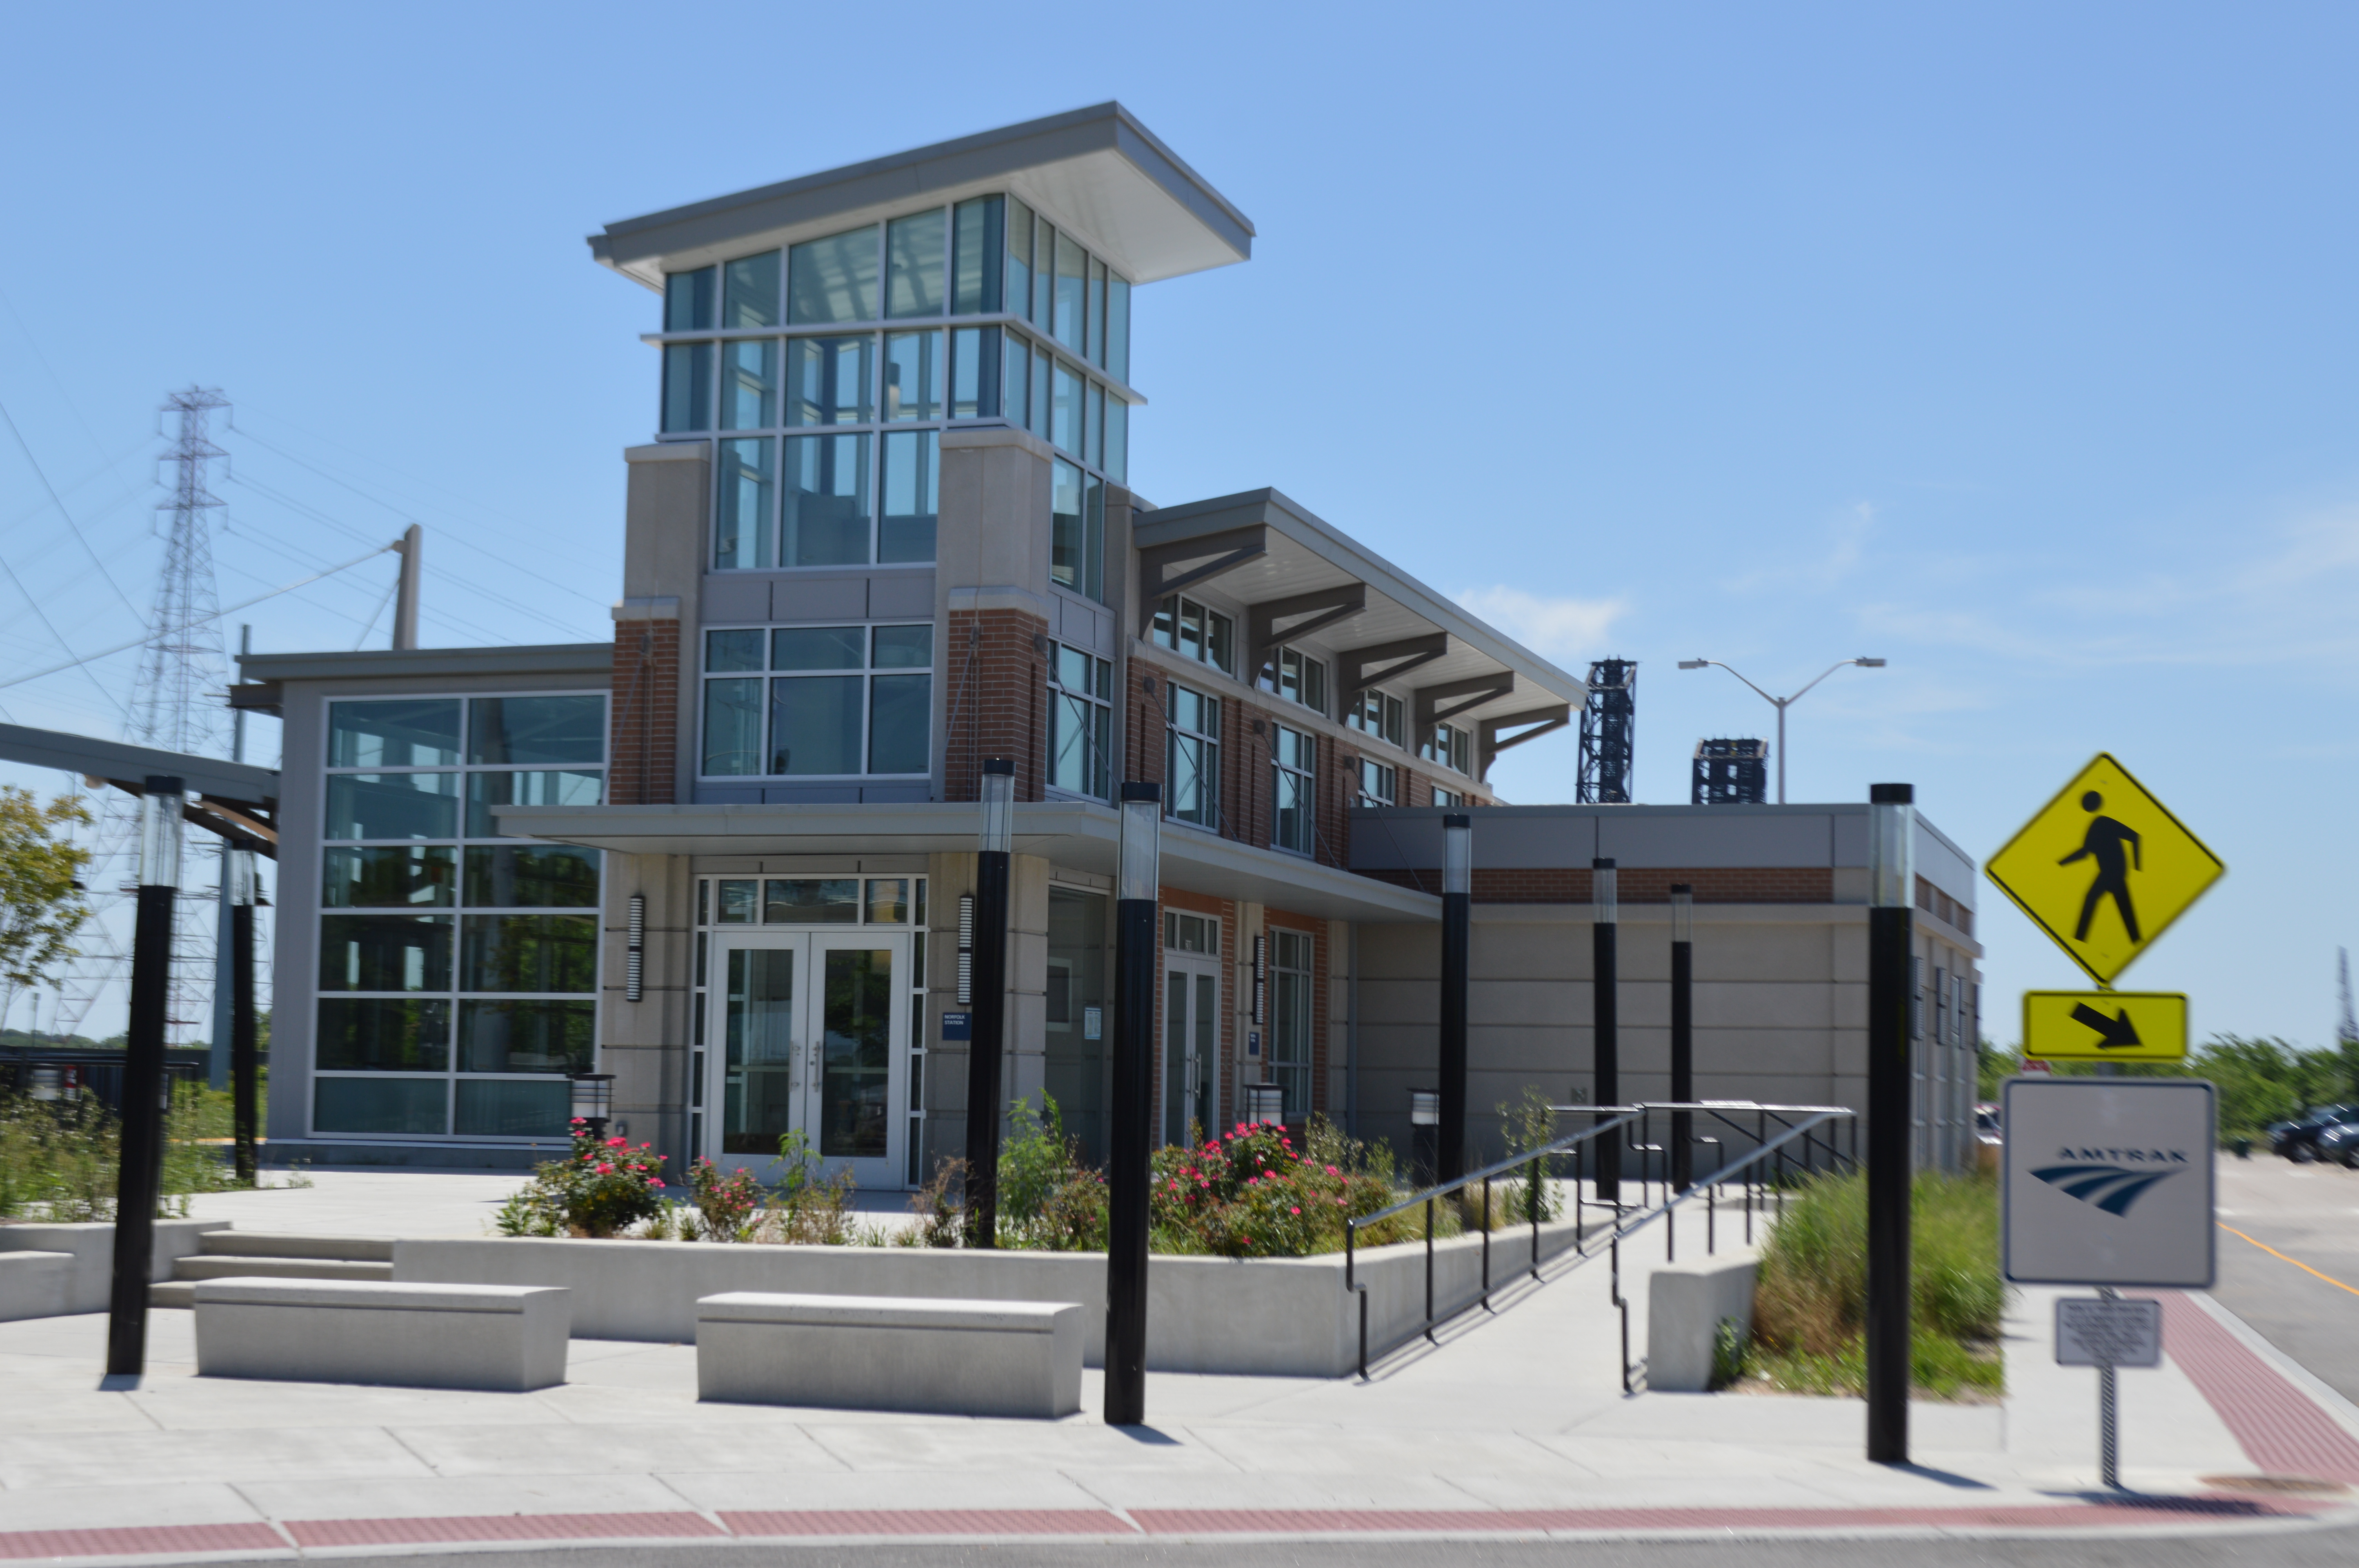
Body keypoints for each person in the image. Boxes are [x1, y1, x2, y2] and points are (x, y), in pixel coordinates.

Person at [2060, 791, 2140, 944]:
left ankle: (2080, 939)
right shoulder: (2098, 825)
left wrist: (2138, 867)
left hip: (2113, 873)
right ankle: (2135, 940)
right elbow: (2085, 853)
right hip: (2110, 873)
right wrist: (2062, 863)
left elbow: (2135, 837)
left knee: (2093, 899)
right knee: (2121, 908)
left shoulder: (2103, 823)